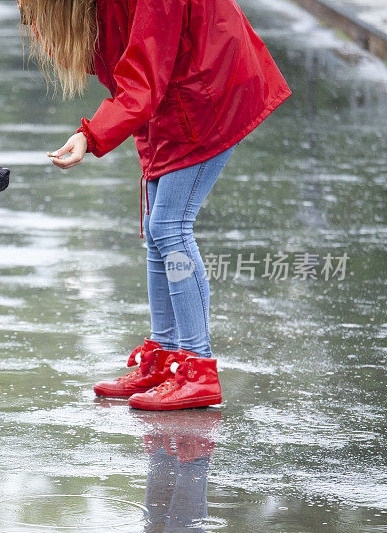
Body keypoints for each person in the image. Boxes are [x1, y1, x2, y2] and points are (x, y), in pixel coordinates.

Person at [18, 0, 291, 410]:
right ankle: (163, 360)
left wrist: (91, 136)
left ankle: (197, 368)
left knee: (170, 227)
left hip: (209, 93)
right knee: (156, 229)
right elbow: (113, 58)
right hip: (174, 95)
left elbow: (142, 74)